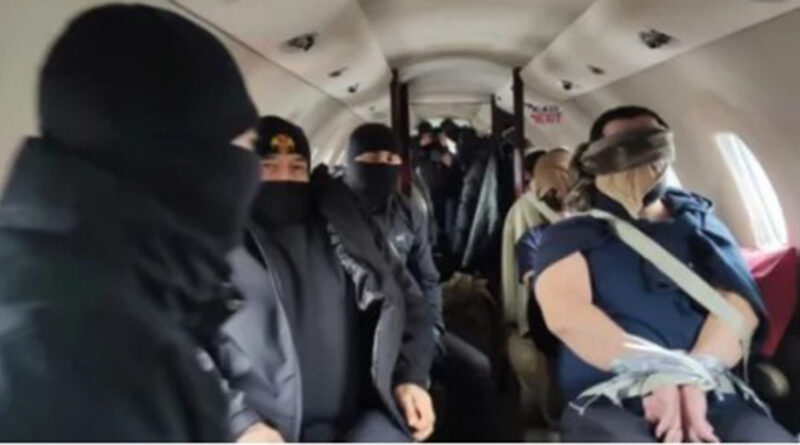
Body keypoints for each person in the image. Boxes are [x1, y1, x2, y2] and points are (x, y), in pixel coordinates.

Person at [0, 4, 262, 441]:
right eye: (240, 146)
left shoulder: (89, 296)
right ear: (177, 158)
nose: (252, 172)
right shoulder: (85, 358)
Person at [528, 105, 795, 441]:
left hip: (712, 391)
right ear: (596, 160)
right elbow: (567, 315)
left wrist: (695, 375)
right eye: (624, 149)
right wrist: (655, 372)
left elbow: (738, 309)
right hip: (610, 396)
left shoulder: (701, 224)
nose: (639, 162)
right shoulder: (570, 235)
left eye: (649, 146)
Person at [213, 116, 437, 442]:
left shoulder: (347, 225)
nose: (284, 178)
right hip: (258, 432)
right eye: (268, 167)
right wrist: (240, 422)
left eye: (296, 168)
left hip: (355, 423)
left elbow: (407, 299)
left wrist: (410, 376)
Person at [343, 123, 498, 441]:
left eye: (390, 159)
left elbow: (427, 280)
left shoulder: (408, 211)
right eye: (371, 159)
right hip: (355, 329)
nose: (382, 167)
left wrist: (433, 329)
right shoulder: (336, 214)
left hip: (409, 323)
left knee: (475, 369)